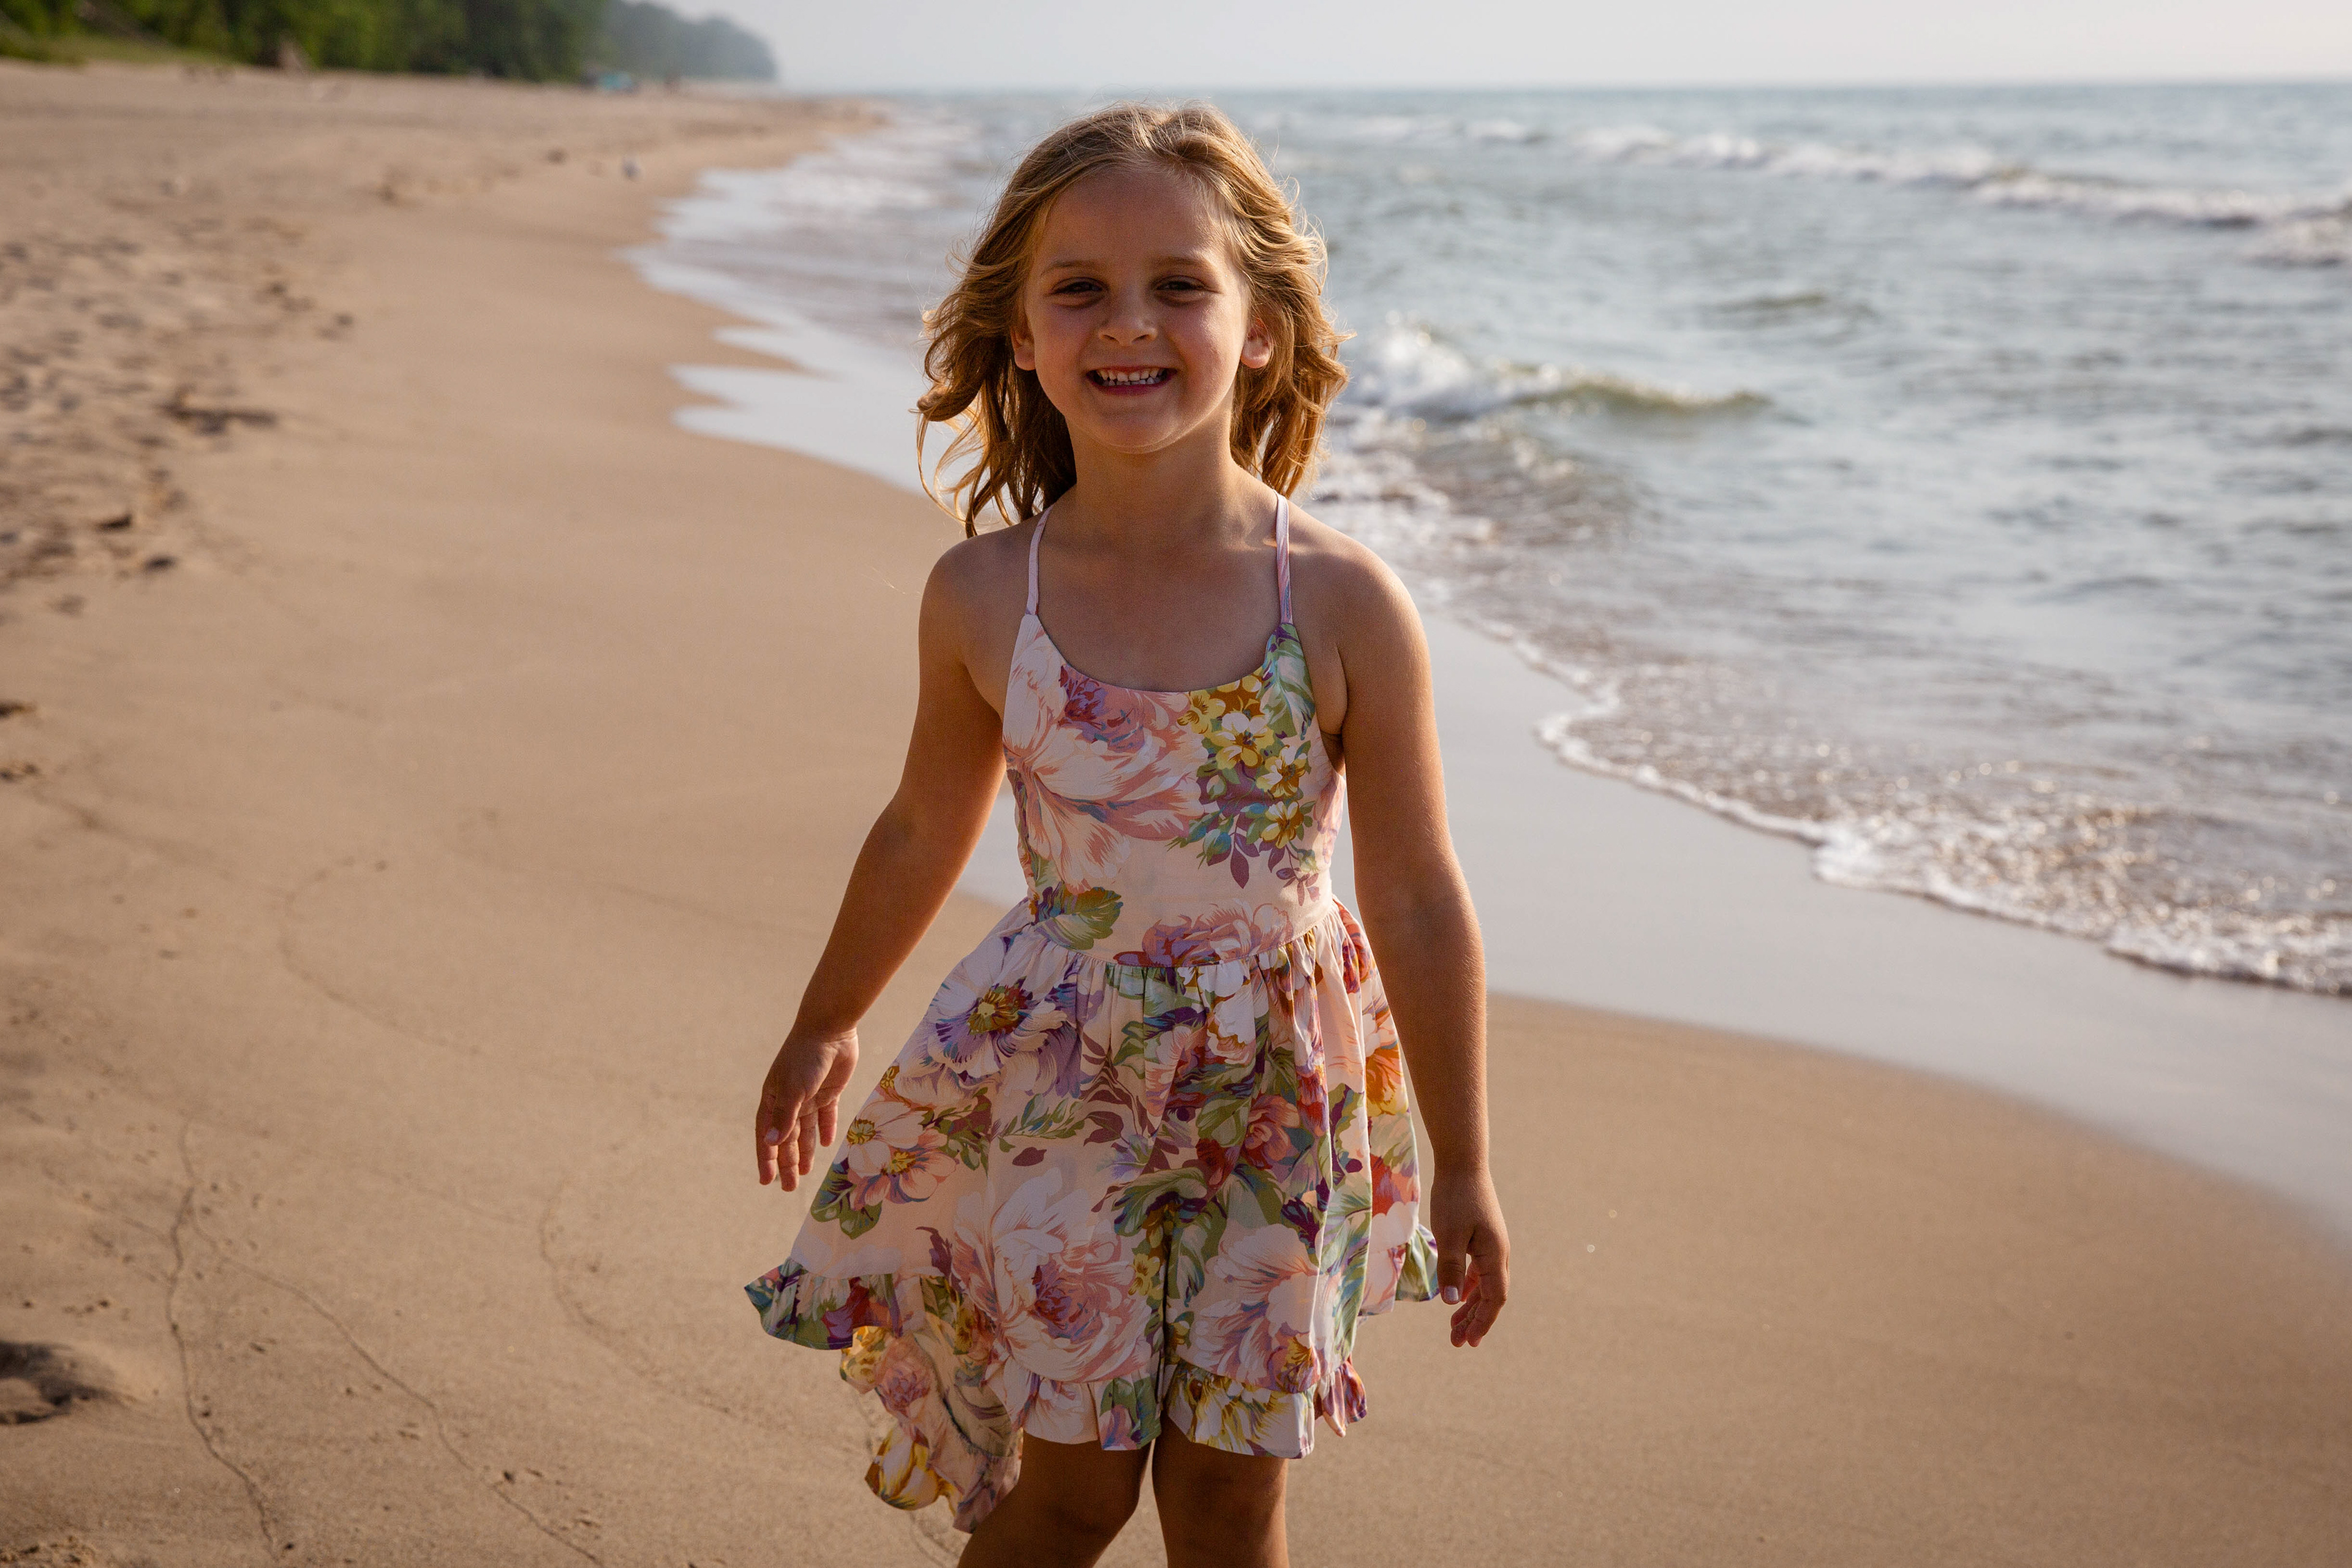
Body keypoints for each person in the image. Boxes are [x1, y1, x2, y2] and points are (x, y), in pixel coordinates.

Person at [747, 102, 1508, 1568]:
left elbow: (1417, 890)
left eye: (1179, 284)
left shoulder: (1340, 602)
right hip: (1065, 1073)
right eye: (1080, 287)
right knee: (1075, 1488)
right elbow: (920, 824)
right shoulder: (988, 596)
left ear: (1261, 328)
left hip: (1277, 1083)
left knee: (1229, 1498)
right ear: (1022, 336)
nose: (1129, 322)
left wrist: (1467, 1157)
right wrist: (826, 1015)